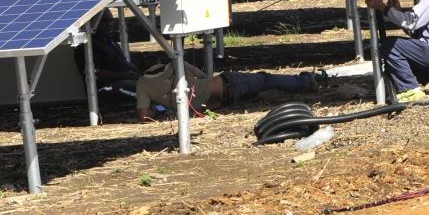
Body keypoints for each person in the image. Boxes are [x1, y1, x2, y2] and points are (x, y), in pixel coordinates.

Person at [136, 63, 321, 121]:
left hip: (225, 101)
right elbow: (204, 76)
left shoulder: (142, 85)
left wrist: (162, 106)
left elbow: (144, 116)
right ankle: (305, 81)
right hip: (228, 83)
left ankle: (292, 88)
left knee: (262, 90)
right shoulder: (175, 63)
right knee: (266, 79)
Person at [75, 9, 141, 105]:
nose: (109, 24)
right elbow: (94, 72)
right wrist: (124, 75)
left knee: (152, 83)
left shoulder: (109, 40)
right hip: (105, 88)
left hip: (126, 80)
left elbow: (120, 61)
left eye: (111, 20)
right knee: (143, 89)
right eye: (104, 21)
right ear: (94, 22)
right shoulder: (89, 45)